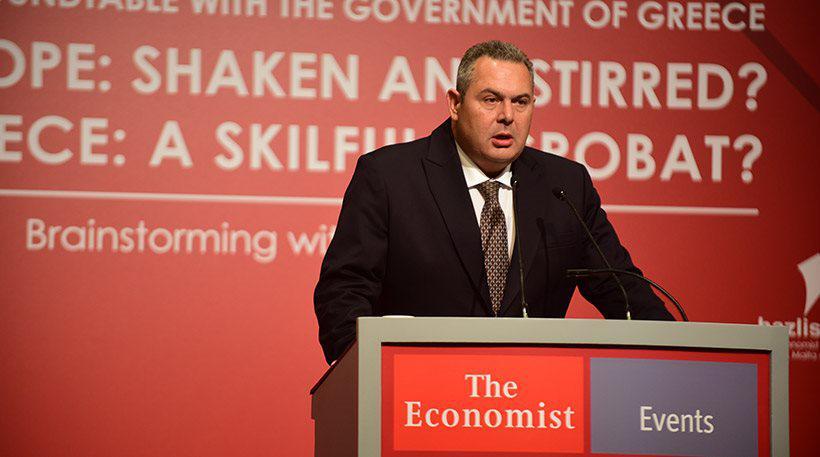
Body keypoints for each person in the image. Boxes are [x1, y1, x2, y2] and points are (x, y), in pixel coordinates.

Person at [314, 41, 673, 364]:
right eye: (490, 99)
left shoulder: (565, 185)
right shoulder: (390, 176)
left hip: (534, 397)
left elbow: (622, 290)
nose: (507, 116)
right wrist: (363, 370)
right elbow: (344, 291)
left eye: (521, 102)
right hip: (418, 392)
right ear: (455, 104)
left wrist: (678, 357)